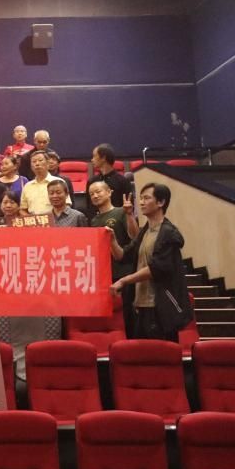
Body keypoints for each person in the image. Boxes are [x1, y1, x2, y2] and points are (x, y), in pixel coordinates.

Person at [108, 183, 193, 341]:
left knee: (161, 353)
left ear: (161, 202)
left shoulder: (168, 233)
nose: (141, 202)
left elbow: (156, 268)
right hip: (140, 305)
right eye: (140, 198)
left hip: (159, 307)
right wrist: (112, 240)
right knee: (141, 354)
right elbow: (122, 256)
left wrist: (123, 280)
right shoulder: (145, 230)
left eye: (146, 198)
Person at [89, 181, 137, 283]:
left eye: (98, 192)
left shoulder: (121, 211)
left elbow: (134, 236)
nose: (95, 196)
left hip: (124, 270)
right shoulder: (94, 220)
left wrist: (129, 214)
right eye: (91, 194)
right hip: (105, 272)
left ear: (109, 192)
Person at [20, 150, 70, 216]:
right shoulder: (27, 186)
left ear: (48, 164)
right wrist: (32, 219)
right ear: (31, 167)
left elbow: (67, 205)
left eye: (40, 160)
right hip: (33, 221)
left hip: (56, 220)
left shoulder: (59, 182)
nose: (37, 164)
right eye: (34, 161)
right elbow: (22, 210)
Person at [90, 143, 133, 208]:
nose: (92, 159)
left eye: (94, 156)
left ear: (103, 158)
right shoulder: (92, 181)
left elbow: (129, 207)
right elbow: (89, 207)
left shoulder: (123, 181)